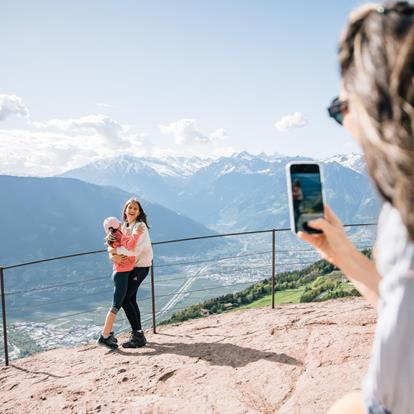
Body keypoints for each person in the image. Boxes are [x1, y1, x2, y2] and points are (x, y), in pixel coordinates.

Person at [299, 2, 414, 413]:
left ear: (377, 102)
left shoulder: (404, 216)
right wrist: (340, 252)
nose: (346, 127)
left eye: (341, 109)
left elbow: (388, 404)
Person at [109, 197, 153, 349]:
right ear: (125, 210)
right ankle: (138, 334)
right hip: (131, 267)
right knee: (131, 299)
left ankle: (138, 335)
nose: (132, 210)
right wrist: (112, 254)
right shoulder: (124, 226)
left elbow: (135, 249)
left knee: (126, 299)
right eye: (130, 207)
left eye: (135, 208)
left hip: (140, 266)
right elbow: (115, 243)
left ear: (139, 212)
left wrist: (116, 252)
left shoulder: (140, 226)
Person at [97, 216, 145, 349]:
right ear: (116, 227)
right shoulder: (118, 235)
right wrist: (137, 233)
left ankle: (107, 334)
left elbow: (113, 249)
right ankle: (105, 336)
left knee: (117, 304)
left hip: (120, 273)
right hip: (122, 275)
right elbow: (130, 246)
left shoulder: (112, 236)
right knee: (116, 305)